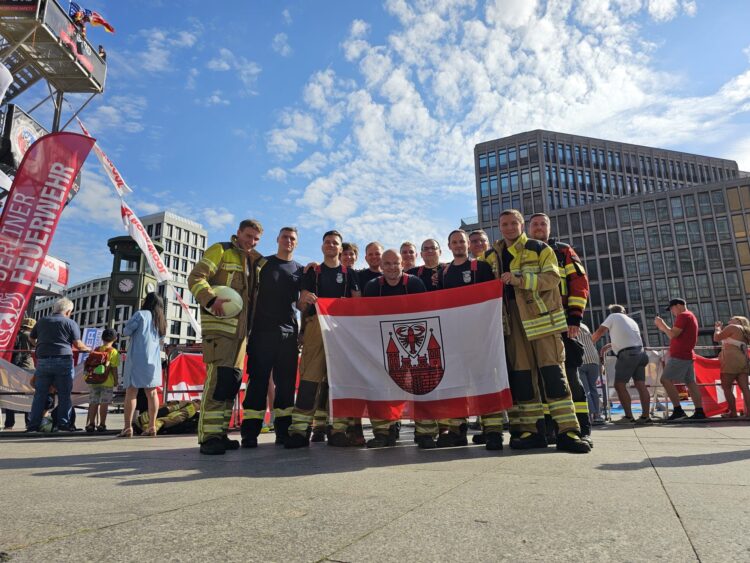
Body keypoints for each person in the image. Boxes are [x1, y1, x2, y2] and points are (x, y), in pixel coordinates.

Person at [483, 210, 589, 453]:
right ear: (499, 227)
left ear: (522, 225)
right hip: (510, 324)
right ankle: (532, 431)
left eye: (514, 223)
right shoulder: (490, 256)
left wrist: (520, 278)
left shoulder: (539, 248)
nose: (509, 228)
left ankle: (568, 431)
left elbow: (552, 278)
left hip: (542, 321)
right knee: (522, 378)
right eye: (504, 224)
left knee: (554, 376)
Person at [189, 219, 263, 455]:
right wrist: (210, 299)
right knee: (217, 382)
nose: (251, 242)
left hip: (242, 335)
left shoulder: (254, 261)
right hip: (220, 330)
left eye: (255, 239)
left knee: (230, 382)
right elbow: (196, 277)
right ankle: (208, 437)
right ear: (238, 232)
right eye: (248, 236)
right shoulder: (220, 250)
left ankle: (220, 432)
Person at [286, 230, 360, 448]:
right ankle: (300, 431)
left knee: (340, 381)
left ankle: (338, 430)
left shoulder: (350, 274)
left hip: (342, 329)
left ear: (340, 248)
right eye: (327, 242)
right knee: (310, 378)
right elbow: (300, 305)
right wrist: (305, 301)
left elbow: (358, 304)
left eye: (335, 243)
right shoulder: (312, 272)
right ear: (322, 246)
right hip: (315, 328)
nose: (331, 245)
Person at [528, 213, 592, 445]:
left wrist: (575, 318)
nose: (538, 227)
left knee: (570, 376)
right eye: (534, 224)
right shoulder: (524, 252)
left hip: (563, 321)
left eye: (542, 224)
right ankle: (549, 430)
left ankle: (581, 427)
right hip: (534, 325)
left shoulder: (564, 251)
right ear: (528, 228)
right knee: (541, 379)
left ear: (549, 228)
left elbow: (579, 283)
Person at [240, 227, 303, 448]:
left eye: (292, 238)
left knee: (285, 386)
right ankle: (249, 433)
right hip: (261, 333)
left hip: (288, 335)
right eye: (285, 237)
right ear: (277, 239)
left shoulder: (300, 270)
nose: (288, 241)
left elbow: (303, 303)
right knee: (257, 383)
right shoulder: (262, 264)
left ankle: (283, 432)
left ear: (296, 243)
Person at [435, 229, 497, 448]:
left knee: (484, 381)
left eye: (462, 241)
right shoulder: (444, 273)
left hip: (480, 336)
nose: (459, 245)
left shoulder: (481, 267)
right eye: (454, 242)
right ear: (449, 246)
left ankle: (492, 430)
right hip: (455, 337)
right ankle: (456, 430)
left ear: (468, 245)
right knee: (457, 384)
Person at [362, 249, 426, 448]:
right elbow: (367, 318)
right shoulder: (372, 287)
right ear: (381, 266)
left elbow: (425, 314)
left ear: (403, 264)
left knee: (420, 387)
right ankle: (383, 432)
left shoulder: (415, 283)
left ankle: (424, 433)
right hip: (384, 345)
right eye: (387, 264)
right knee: (381, 388)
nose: (392, 267)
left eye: (395, 263)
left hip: (414, 345)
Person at [311, 241, 360, 442]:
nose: (348, 257)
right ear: (340, 254)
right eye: (345, 254)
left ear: (356, 257)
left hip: (347, 334)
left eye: (352, 254)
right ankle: (319, 426)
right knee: (323, 381)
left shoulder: (356, 275)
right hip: (323, 331)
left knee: (346, 379)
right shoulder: (319, 271)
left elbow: (358, 302)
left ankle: (349, 426)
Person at [26, 298, 90, 433]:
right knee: (64, 395)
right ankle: (63, 425)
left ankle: (33, 426)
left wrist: (39, 345)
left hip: (43, 361)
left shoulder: (42, 321)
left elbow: (31, 338)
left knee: (40, 395)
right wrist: (89, 349)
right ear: (68, 311)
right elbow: (78, 345)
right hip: (63, 361)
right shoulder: (70, 323)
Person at [591, 305, 651, 424]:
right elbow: (628, 337)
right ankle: (646, 417)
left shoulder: (613, 316)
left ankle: (628, 417)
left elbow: (600, 331)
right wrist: (612, 345)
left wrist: (588, 343)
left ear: (612, 312)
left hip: (628, 355)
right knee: (640, 385)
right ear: (624, 311)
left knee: (619, 385)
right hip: (641, 353)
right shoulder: (631, 320)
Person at [120, 293, 166, 438]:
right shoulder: (161, 320)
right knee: (152, 393)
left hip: (137, 358)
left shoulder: (140, 314)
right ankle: (152, 426)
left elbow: (126, 331)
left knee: (131, 392)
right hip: (153, 360)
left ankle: (127, 427)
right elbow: (162, 339)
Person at [656, 298, 706, 421]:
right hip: (687, 354)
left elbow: (673, 335)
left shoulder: (683, 316)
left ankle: (678, 410)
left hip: (680, 355)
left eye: (672, 308)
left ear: (678, 305)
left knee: (665, 379)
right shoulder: (690, 316)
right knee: (690, 382)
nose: (672, 311)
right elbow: (674, 335)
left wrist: (662, 326)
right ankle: (699, 411)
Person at [713, 316, 750, 418]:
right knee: (745, 388)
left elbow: (716, 338)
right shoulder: (745, 331)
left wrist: (717, 328)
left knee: (726, 386)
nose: (729, 320)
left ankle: (733, 412)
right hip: (743, 359)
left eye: (732, 318)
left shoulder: (733, 327)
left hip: (731, 360)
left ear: (739, 321)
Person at [84, 328, 119, 433]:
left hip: (94, 381)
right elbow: (114, 368)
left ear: (102, 338)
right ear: (115, 339)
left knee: (93, 402)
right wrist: (116, 381)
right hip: (107, 382)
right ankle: (102, 424)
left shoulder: (97, 349)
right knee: (104, 403)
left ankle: (91, 424)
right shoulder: (113, 352)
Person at [4, 317, 36, 430]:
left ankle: (9, 423)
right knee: (28, 395)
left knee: (10, 394)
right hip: (27, 367)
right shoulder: (29, 335)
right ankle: (28, 422)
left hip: (12, 367)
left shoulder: (15, 334)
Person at [578, 323, 605, 425]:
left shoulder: (570, 326)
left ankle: (590, 415)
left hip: (581, 359)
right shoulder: (584, 325)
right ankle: (597, 415)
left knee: (585, 390)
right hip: (594, 358)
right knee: (593, 387)